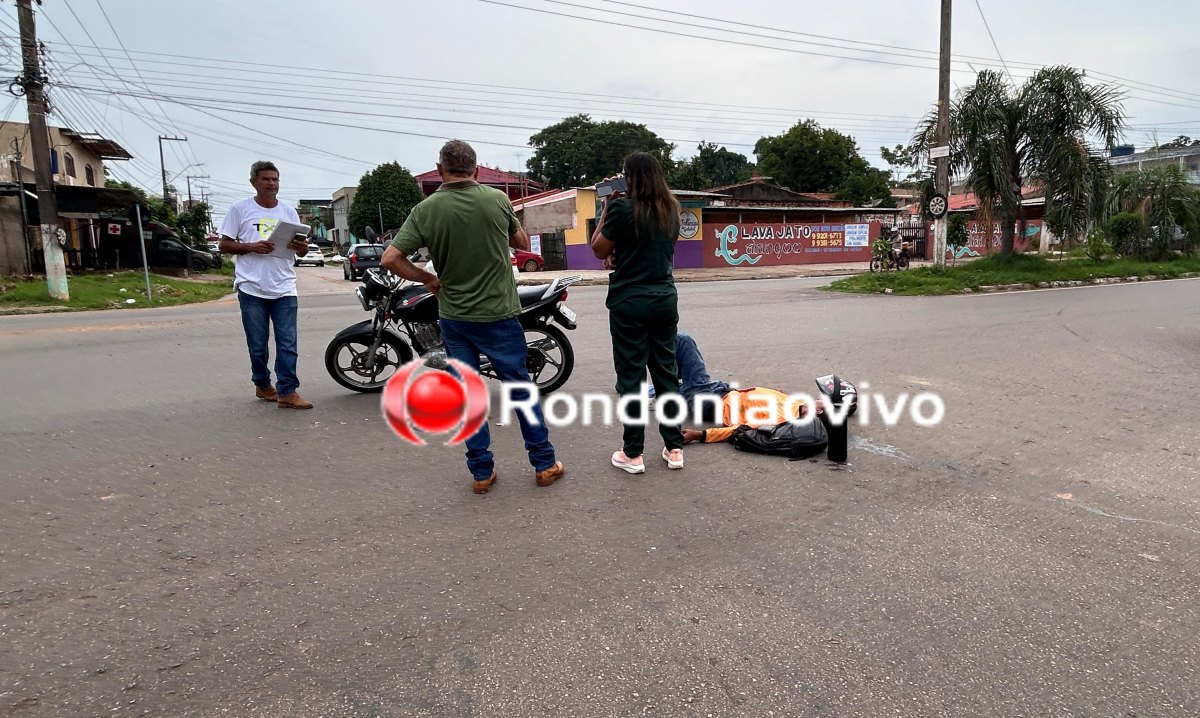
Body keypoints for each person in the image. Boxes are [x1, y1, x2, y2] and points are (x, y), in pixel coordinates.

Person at [380, 139, 564, 494]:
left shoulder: (426, 210)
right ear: (477, 170)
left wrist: (429, 279)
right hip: (499, 314)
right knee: (520, 388)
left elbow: (390, 258)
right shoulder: (497, 200)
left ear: (440, 170)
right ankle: (543, 465)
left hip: (455, 318)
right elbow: (522, 242)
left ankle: (482, 473)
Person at [589, 152, 685, 475]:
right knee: (666, 374)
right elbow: (651, 249)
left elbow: (597, 248)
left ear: (631, 177)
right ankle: (674, 448)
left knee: (631, 378)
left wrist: (605, 209)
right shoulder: (671, 209)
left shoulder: (620, 208)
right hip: (664, 299)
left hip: (629, 303)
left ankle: (633, 454)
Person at [218, 160, 313, 410]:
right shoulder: (240, 210)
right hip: (252, 287)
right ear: (254, 182)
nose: (271, 183)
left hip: (284, 286)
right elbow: (223, 245)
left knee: (288, 342)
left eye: (275, 179)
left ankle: (288, 391)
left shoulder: (289, 212)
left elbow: (301, 252)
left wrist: (302, 248)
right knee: (258, 344)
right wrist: (251, 246)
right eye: (266, 179)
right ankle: (262, 384)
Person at [661, 332, 820, 445]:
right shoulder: (798, 403)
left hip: (707, 400)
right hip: (723, 390)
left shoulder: (780, 418)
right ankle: (657, 391)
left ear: (818, 411)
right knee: (673, 386)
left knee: (683, 341)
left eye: (825, 403)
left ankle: (644, 345)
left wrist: (700, 435)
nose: (822, 399)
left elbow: (739, 430)